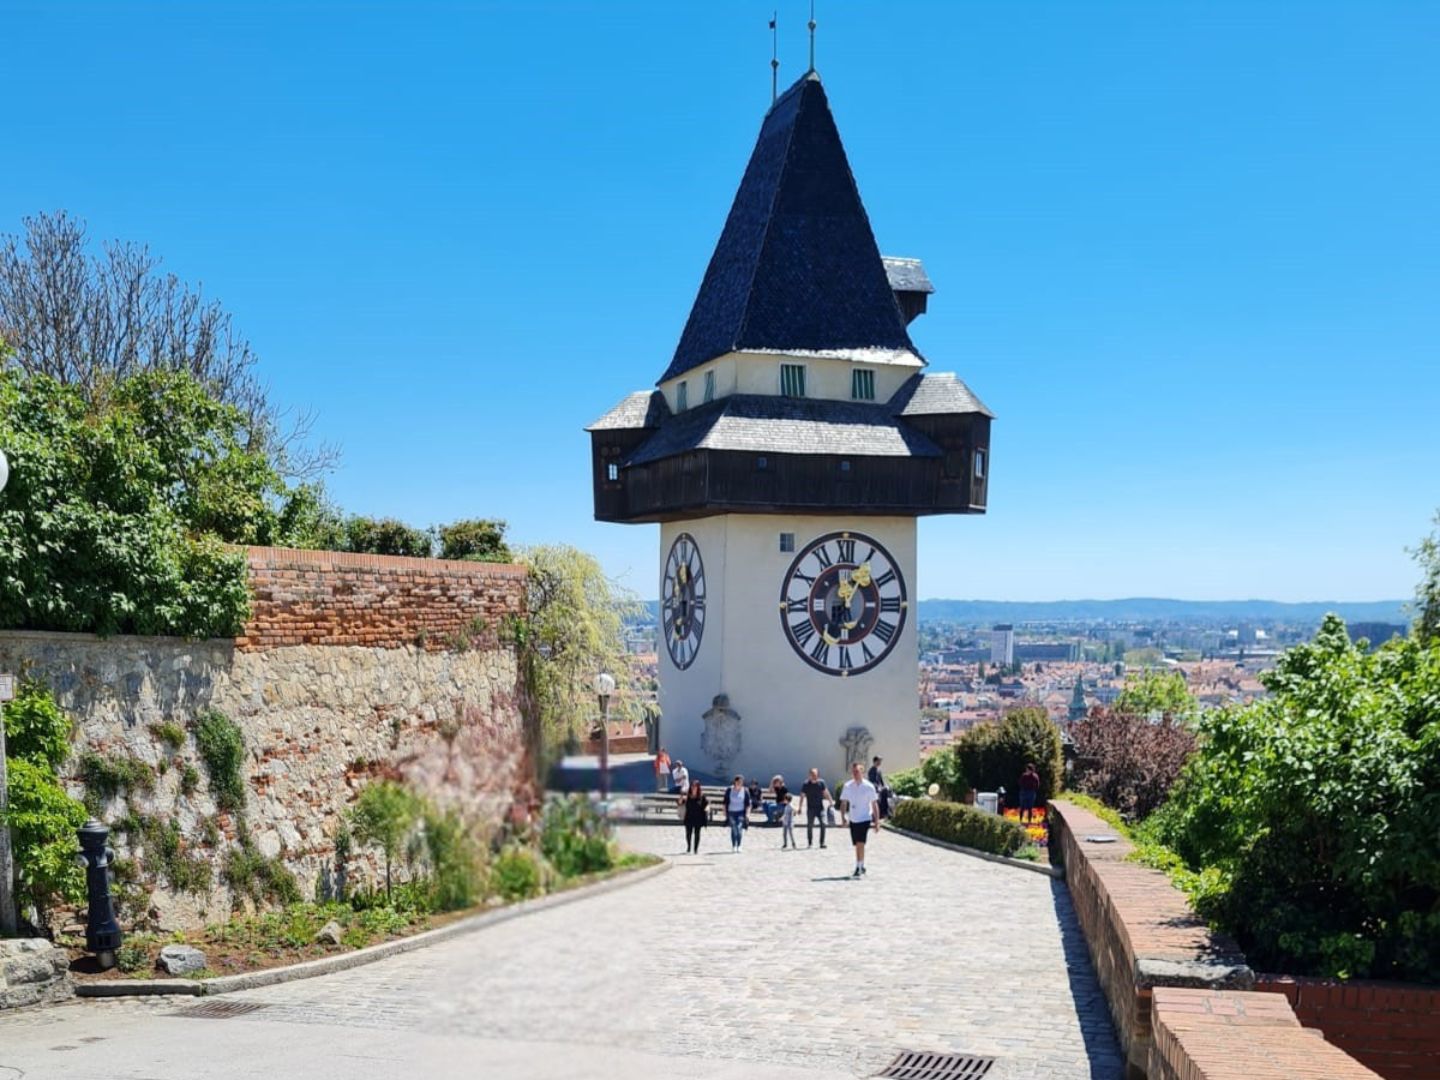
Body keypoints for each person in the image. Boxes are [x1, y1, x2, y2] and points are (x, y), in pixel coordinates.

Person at [839, 761, 881, 878]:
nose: (855, 774)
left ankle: (858, 866)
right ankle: (861, 866)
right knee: (856, 844)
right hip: (853, 818)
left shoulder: (869, 787)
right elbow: (843, 802)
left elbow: (874, 804)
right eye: (853, 772)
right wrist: (843, 817)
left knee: (860, 843)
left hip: (864, 818)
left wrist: (876, 821)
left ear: (862, 772)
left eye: (857, 771)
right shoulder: (848, 786)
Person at [800, 768, 830, 848]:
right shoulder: (806, 784)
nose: (814, 777)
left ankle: (822, 843)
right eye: (813, 775)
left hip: (820, 808)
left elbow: (826, 792)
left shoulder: (821, 783)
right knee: (810, 825)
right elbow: (802, 796)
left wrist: (830, 802)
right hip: (810, 809)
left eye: (816, 775)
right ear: (809, 775)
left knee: (823, 824)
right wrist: (800, 807)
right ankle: (810, 843)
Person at [680, 779, 709, 853]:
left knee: (697, 833)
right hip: (689, 817)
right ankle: (689, 847)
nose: (694, 787)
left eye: (695, 786)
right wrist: (681, 796)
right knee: (688, 833)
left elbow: (707, 804)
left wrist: (706, 809)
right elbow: (680, 803)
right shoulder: (687, 796)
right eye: (692, 786)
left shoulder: (702, 796)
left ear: (698, 787)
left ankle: (696, 849)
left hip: (698, 817)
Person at [724, 775, 751, 851]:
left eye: (741, 782)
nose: (739, 783)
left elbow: (748, 804)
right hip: (731, 812)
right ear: (735, 782)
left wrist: (747, 814)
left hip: (741, 812)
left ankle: (739, 845)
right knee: (733, 828)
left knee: (739, 828)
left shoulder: (745, 791)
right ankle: (733, 845)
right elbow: (725, 802)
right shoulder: (729, 790)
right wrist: (725, 812)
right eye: (738, 782)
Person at [868, 755, 891, 820]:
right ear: (875, 761)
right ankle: (882, 813)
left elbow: (881, 781)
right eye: (879, 761)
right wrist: (879, 788)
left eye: (880, 761)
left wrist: (885, 786)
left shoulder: (879, 770)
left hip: (880, 788)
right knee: (882, 794)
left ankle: (886, 812)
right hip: (874, 789)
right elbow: (872, 781)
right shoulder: (872, 770)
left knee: (887, 791)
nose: (880, 763)